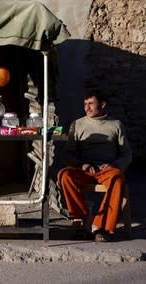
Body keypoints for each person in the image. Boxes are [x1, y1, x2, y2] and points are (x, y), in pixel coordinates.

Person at [57, 89, 132, 242]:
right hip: (85, 170)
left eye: (91, 103)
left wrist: (114, 164)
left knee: (117, 179)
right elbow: (68, 153)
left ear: (103, 105)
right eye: (85, 104)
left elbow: (127, 153)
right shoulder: (78, 124)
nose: (87, 108)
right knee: (64, 175)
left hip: (107, 170)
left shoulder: (116, 124)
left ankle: (101, 227)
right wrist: (81, 164)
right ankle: (82, 220)